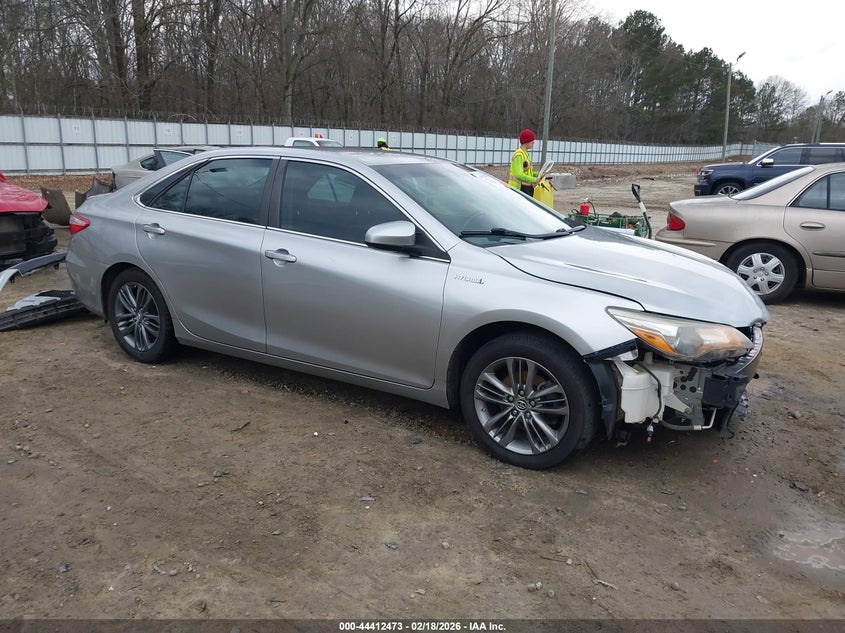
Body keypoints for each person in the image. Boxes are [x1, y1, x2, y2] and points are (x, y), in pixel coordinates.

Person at [508, 128, 538, 195]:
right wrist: (534, 180)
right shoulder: (519, 155)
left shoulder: (525, 153)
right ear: (526, 141)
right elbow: (519, 175)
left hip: (526, 188)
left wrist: (539, 174)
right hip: (519, 189)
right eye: (532, 140)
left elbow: (528, 172)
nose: (533, 142)